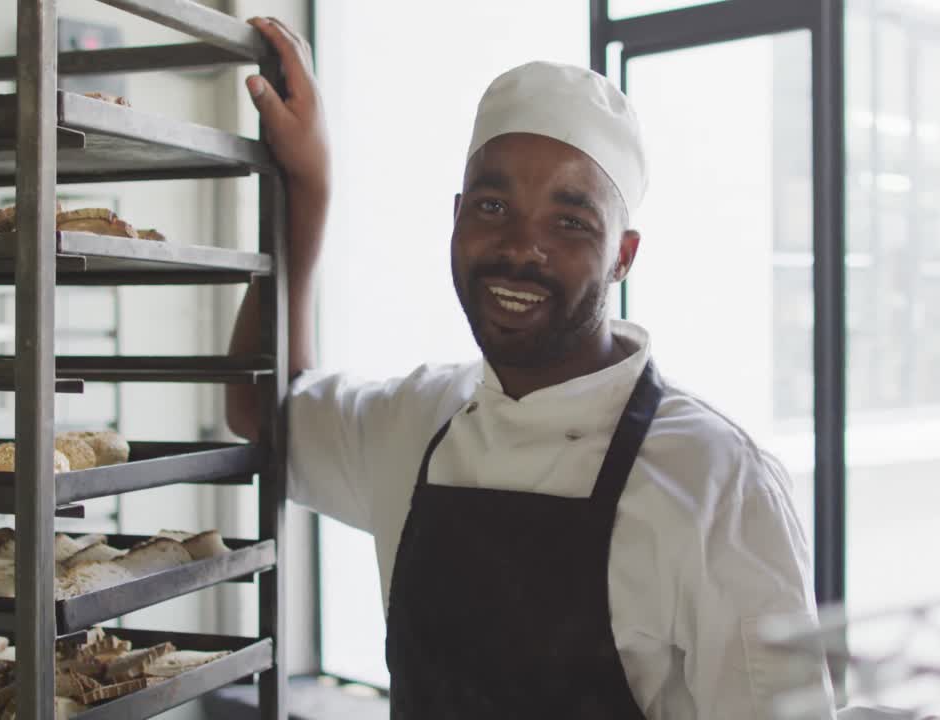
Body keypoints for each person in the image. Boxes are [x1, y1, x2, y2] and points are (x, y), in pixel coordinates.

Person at [228, 16, 836, 720]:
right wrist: (308, 188)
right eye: (493, 206)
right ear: (457, 217)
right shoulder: (414, 419)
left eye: (570, 221)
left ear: (623, 256)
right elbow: (261, 409)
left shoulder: (718, 483)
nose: (521, 247)